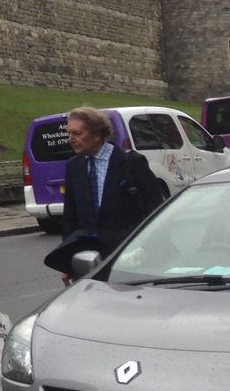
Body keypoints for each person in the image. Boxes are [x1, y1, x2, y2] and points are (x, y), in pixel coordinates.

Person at [55, 105, 163, 278]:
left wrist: (152, 249)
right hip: (91, 259)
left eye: (77, 133)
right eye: (70, 133)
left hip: (130, 256)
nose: (71, 139)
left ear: (97, 135)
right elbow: (70, 216)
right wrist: (67, 262)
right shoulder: (74, 166)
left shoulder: (131, 162)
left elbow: (155, 208)